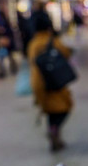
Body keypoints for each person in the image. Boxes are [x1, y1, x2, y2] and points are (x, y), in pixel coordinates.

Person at [26, 13, 74, 151]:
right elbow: (65, 53)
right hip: (55, 79)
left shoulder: (33, 43)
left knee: (49, 110)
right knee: (63, 108)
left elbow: (31, 60)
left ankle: (54, 131)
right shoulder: (52, 40)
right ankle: (54, 130)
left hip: (39, 80)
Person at [0, 8, 18, 78]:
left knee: (5, 57)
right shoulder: (4, 22)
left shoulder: (2, 22)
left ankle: (6, 71)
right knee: (5, 57)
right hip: (5, 42)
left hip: (4, 42)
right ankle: (8, 70)